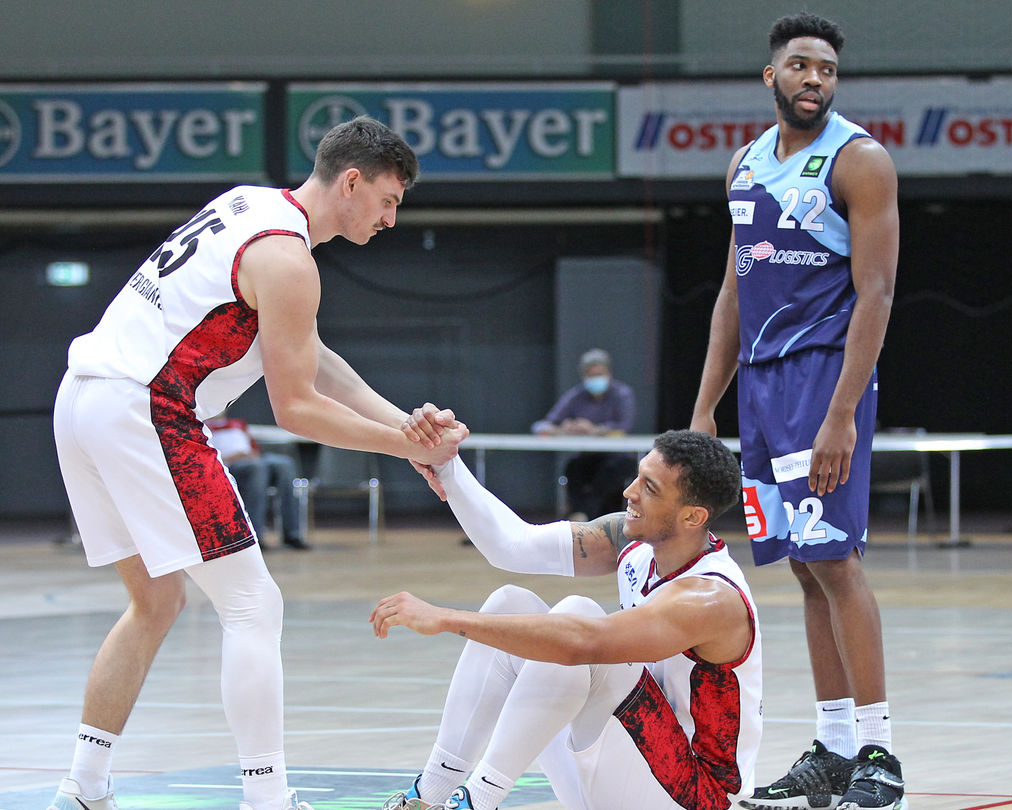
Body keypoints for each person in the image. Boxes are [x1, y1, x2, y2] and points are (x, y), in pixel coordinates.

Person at [49, 117, 466, 810]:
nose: (391, 219)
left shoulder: (249, 205)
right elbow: (297, 408)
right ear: (352, 182)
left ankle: (84, 785)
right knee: (251, 602)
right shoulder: (288, 261)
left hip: (81, 400)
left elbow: (317, 359)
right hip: (145, 408)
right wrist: (407, 449)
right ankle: (266, 799)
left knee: (155, 602)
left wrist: (403, 423)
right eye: (389, 201)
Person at [688, 13, 905, 810]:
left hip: (824, 379)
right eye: (801, 66)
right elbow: (732, 292)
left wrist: (842, 412)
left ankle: (880, 752)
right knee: (806, 570)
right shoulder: (743, 165)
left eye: (827, 70)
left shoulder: (860, 161)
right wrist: (705, 407)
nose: (815, 79)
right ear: (771, 77)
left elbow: (876, 293)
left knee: (837, 560)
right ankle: (835, 746)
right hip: (760, 390)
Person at [372, 430, 760, 810]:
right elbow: (512, 546)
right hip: (629, 763)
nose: (630, 491)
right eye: (639, 476)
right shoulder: (636, 542)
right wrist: (447, 464)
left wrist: (445, 618)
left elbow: (583, 642)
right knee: (511, 602)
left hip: (696, 794)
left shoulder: (711, 598)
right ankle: (428, 795)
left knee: (578, 616)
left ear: (693, 516)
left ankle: (477, 801)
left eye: (650, 487)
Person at [531, 348, 638, 520]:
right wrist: (564, 429)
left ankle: (589, 518)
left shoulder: (622, 394)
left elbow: (623, 427)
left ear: (608, 373)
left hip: (617, 456)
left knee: (608, 475)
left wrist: (594, 429)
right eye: (591, 375)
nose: (595, 379)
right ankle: (584, 517)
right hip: (588, 456)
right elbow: (542, 425)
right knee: (573, 469)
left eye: (599, 374)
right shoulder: (576, 395)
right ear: (584, 376)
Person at [207, 411, 311, 550]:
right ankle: (255, 534)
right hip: (228, 466)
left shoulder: (238, 424)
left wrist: (251, 455)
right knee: (257, 469)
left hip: (252, 461)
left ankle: (292, 534)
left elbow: (254, 449)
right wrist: (236, 457)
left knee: (284, 464)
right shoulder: (203, 427)